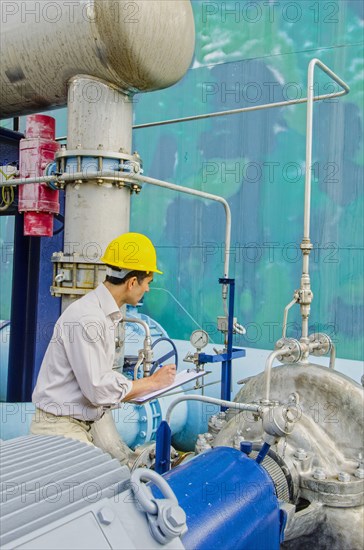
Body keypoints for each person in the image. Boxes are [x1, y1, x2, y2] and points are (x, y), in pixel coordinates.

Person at [31, 232, 176, 445]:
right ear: (132, 281)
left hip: (78, 424)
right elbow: (98, 389)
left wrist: (135, 386)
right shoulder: (89, 318)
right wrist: (151, 383)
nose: (148, 289)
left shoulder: (102, 315)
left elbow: (99, 380)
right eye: (148, 282)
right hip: (59, 429)